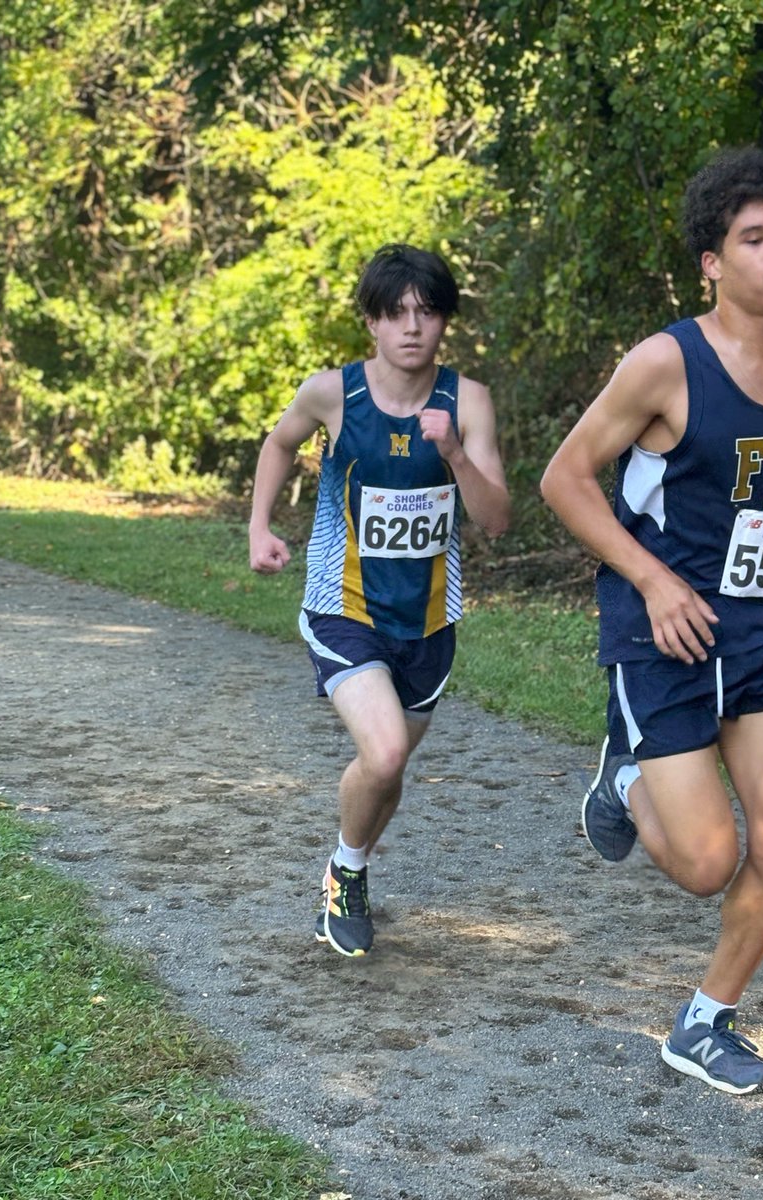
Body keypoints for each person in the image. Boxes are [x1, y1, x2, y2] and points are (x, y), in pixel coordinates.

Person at [540, 146, 763, 1095]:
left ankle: (703, 1023)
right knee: (705, 864)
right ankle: (624, 774)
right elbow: (565, 480)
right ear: (712, 261)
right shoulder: (665, 363)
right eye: (753, 239)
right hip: (666, 635)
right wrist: (653, 581)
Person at [249, 243, 510, 957]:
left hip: (429, 621)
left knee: (385, 770)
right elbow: (279, 445)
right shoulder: (333, 393)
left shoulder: (469, 401)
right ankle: (346, 873)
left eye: (427, 312)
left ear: (445, 322)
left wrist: (455, 453)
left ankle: (349, 861)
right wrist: (260, 526)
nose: (412, 328)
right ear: (371, 322)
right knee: (387, 751)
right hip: (345, 605)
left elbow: (495, 519)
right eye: (396, 313)